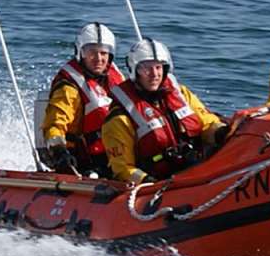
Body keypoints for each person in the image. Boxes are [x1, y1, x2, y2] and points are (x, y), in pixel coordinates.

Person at [102, 38, 226, 184]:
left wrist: (221, 132)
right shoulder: (120, 118)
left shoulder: (181, 94)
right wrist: (148, 182)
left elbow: (207, 123)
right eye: (146, 68)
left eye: (158, 67)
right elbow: (122, 168)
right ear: (135, 71)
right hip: (160, 181)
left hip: (196, 166)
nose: (154, 74)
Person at [41, 22, 126, 176]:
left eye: (103, 53)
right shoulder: (69, 88)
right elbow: (54, 125)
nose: (98, 58)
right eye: (91, 52)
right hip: (88, 160)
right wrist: (59, 151)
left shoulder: (115, 77)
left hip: (120, 154)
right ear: (81, 53)